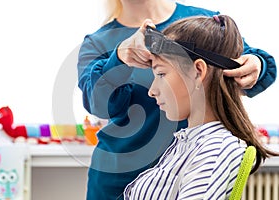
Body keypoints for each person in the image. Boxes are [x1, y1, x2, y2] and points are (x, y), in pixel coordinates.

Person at [77, 0, 277, 199]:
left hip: (191, 166)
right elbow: (98, 103)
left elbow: (238, 65)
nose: (152, 91)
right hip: (119, 178)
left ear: (199, 70)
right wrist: (119, 58)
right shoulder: (97, 43)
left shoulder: (203, 23)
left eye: (161, 73)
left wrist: (257, 64)